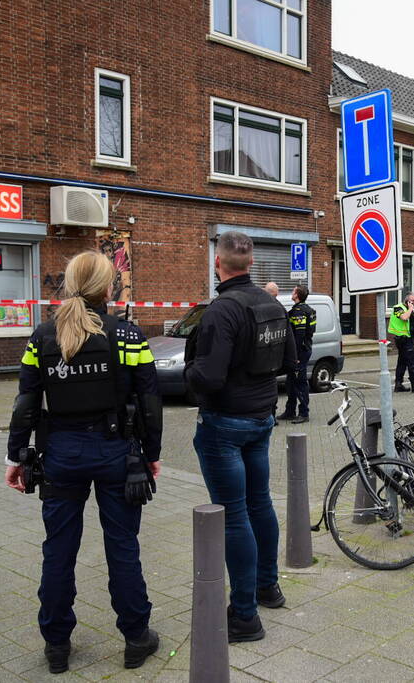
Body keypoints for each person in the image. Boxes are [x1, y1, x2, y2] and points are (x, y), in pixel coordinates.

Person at [4, 251, 163, 674]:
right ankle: (135, 637)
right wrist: (153, 455)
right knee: (123, 546)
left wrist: (16, 455)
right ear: (107, 288)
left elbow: (25, 402)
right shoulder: (127, 336)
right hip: (117, 456)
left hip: (60, 455)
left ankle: (56, 645)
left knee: (58, 549)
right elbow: (149, 399)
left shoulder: (41, 337)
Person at [185, 231, 296, 644]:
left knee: (234, 515)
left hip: (225, 425)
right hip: (261, 419)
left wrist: (186, 374)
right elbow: (289, 363)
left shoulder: (222, 310)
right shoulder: (273, 304)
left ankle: (245, 616)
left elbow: (208, 378)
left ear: (219, 262)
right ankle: (268, 587)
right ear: (250, 263)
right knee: (259, 502)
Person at [279, 285, 316, 424]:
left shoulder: (300, 312)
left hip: (300, 353)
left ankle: (304, 413)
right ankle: (290, 411)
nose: (292, 292)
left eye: (293, 291)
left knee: (300, 383)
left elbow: (299, 337)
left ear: (297, 295)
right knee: (290, 382)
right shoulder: (306, 310)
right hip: (301, 351)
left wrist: (296, 357)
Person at [389, 292, 414, 393]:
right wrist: (410, 309)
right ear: (407, 300)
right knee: (412, 362)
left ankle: (398, 384)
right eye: (412, 301)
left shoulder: (410, 311)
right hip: (403, 339)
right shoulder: (398, 308)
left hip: (409, 339)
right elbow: (404, 318)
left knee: (402, 362)